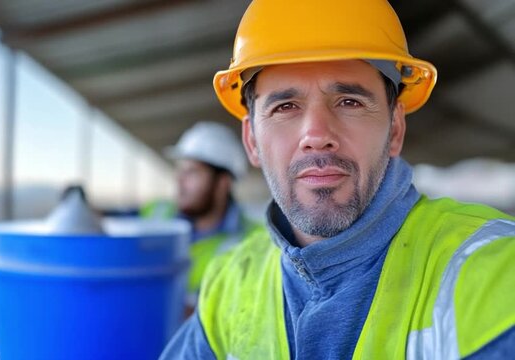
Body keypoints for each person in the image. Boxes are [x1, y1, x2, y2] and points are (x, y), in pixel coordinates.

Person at [160, 0, 515, 358]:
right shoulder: (228, 286)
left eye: (349, 102)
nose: (316, 133)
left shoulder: (496, 274)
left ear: (395, 129)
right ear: (252, 141)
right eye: (285, 107)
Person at [143, 121, 259, 311]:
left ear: (223, 183)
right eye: (179, 171)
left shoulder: (254, 241)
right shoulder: (156, 213)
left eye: (192, 172)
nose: (179, 181)